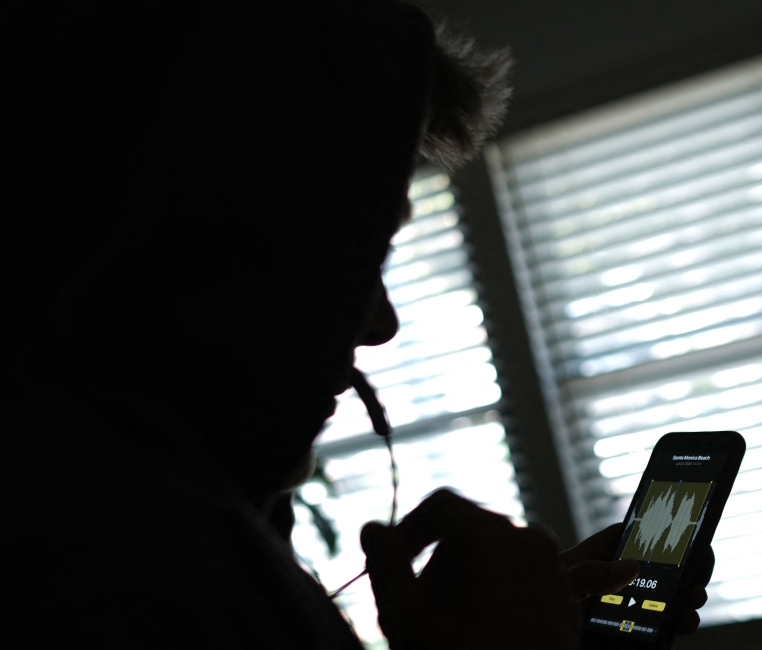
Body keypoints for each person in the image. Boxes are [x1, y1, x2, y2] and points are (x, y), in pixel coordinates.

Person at [2, 2, 708, 648]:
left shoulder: (151, 512)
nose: (380, 324)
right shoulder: (118, 554)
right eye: (359, 250)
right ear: (209, 223)